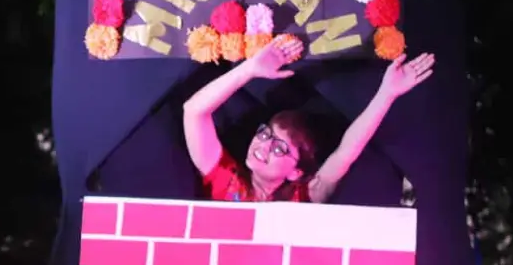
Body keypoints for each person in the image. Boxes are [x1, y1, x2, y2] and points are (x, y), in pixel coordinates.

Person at [182, 39, 436, 204]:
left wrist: (387, 93)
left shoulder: (304, 196)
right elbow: (193, 111)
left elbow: (347, 152)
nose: (264, 146)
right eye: (265, 134)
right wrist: (249, 69)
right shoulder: (225, 181)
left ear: (296, 172)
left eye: (280, 148)